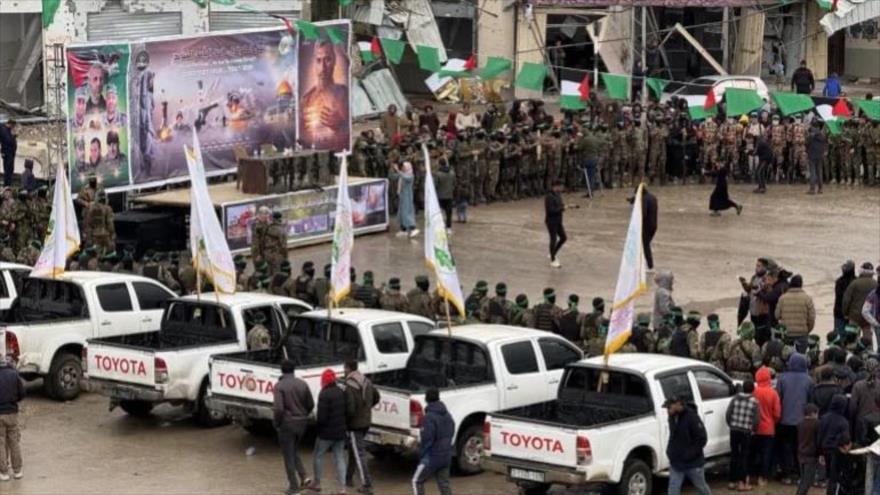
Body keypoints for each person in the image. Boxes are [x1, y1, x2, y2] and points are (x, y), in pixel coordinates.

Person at [273, 359, 314, 495]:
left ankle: (294, 487)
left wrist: (277, 423)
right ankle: (304, 477)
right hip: (302, 424)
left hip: (287, 424)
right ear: (293, 370)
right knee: (293, 451)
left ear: (282, 370)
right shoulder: (303, 384)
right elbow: (311, 404)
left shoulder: (279, 386)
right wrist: (303, 415)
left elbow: (278, 409)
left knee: (288, 456)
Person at [300, 41, 349, 150]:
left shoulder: (344, 94)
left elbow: (357, 127)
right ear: (314, 63)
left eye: (327, 59)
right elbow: (301, 137)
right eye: (318, 60)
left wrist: (340, 125)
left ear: (334, 60)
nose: (323, 68)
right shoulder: (306, 100)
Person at [343, 360, 380, 495]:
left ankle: (367, 485)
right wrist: (367, 408)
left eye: (345, 367)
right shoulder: (366, 380)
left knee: (359, 453)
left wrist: (347, 422)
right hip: (366, 421)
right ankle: (348, 478)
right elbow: (377, 396)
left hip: (355, 424)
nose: (344, 370)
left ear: (348, 368)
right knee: (355, 450)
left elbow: (350, 408)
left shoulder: (350, 384)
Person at [777, 353, 814, 484]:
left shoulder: (782, 379)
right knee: (800, 448)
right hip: (802, 421)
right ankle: (800, 475)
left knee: (786, 447)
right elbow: (811, 401)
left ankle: (787, 475)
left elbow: (778, 398)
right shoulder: (809, 380)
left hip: (785, 420)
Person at [309, 369, 347, 494]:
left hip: (326, 433)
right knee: (339, 457)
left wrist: (317, 428)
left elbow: (322, 417)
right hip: (340, 431)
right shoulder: (341, 391)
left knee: (317, 456)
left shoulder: (324, 394)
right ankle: (342, 488)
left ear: (324, 380)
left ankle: (317, 483)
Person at [664, 395, 711, 495]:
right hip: (676, 461)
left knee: (701, 486)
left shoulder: (692, 417)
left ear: (678, 405)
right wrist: (670, 451)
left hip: (693, 463)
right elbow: (673, 436)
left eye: (669, 407)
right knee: (673, 487)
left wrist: (689, 454)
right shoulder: (672, 417)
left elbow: (702, 439)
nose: (667, 410)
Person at [412, 388, 453, 495]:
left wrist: (421, 455)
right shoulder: (447, 415)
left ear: (426, 399)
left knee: (416, 481)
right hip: (446, 456)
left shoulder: (429, 417)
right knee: (444, 484)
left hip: (432, 457)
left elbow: (427, 439)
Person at [725, 380, 760, 491]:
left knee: (734, 454)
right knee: (744, 456)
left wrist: (731, 424)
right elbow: (756, 420)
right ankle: (742, 483)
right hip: (746, 431)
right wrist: (753, 429)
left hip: (734, 430)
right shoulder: (755, 402)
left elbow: (728, 413)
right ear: (753, 389)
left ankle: (731, 481)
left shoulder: (734, 399)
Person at [750, 366, 781, 487]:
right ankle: (763, 478)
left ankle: (752, 475)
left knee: (753, 453)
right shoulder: (773, 393)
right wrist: (773, 422)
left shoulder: (754, 392)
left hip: (754, 428)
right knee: (766, 454)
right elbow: (777, 413)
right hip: (769, 429)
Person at [818, 395, 851, 495]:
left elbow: (819, 436)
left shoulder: (823, 418)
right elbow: (846, 439)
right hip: (837, 452)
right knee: (834, 478)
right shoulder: (843, 421)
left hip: (824, 450)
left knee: (828, 477)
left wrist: (820, 452)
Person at [0, 354, 24, 481]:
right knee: (14, 441)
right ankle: (17, 471)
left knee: (0, 442)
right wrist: (13, 402)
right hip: (12, 413)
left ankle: (3, 472)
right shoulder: (14, 374)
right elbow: (22, 393)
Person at [843, 262, 878, 344]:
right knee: (868, 337)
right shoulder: (875, 284)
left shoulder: (854, 283)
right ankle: (868, 351)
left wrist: (845, 313)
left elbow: (846, 300)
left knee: (852, 337)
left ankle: (853, 353)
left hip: (854, 315)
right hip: (869, 316)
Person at [775, 274, 816, 343]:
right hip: (802, 334)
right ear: (801, 285)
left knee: (787, 353)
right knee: (801, 353)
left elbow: (777, 315)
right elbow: (812, 318)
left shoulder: (782, 298)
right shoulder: (807, 299)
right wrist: (807, 330)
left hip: (786, 334)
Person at [796, 403, 821, 495]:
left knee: (803, 479)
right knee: (808, 481)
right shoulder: (817, 424)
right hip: (811, 455)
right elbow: (818, 441)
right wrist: (820, 454)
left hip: (800, 454)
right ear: (813, 413)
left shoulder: (800, 423)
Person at [544, 180, 567, 268]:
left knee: (563, 237)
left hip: (558, 221)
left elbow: (560, 205)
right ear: (556, 186)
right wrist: (562, 208)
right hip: (551, 221)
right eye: (561, 186)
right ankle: (553, 260)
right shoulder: (549, 197)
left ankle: (553, 252)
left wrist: (564, 206)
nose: (562, 188)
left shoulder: (558, 195)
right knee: (553, 239)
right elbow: (550, 210)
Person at [395, 161, 418, 238]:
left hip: (407, 196)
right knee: (401, 213)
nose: (403, 168)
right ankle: (403, 229)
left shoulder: (410, 175)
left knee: (406, 213)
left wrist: (398, 170)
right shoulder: (404, 174)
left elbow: (404, 177)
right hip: (402, 196)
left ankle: (412, 228)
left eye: (404, 167)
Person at [834, 260, 857, 335]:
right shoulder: (856, 281)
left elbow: (840, 297)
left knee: (839, 337)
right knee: (852, 338)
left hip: (839, 314)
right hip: (853, 315)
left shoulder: (839, 281)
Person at [433, 158, 455, 233]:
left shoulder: (438, 174)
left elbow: (435, 185)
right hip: (449, 195)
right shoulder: (452, 173)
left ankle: (439, 226)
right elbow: (454, 183)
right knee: (449, 213)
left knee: (439, 212)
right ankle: (448, 227)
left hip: (440, 196)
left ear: (439, 164)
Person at [806, 120, 827, 194]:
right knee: (819, 172)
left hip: (812, 154)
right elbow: (824, 144)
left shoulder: (811, 135)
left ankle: (812, 189)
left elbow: (807, 143)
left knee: (813, 172)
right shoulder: (821, 135)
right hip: (820, 155)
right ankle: (820, 189)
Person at [0, 120, 17, 187]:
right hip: (7, 153)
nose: (13, 128)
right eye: (13, 126)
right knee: (8, 169)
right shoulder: (3, 128)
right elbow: (7, 140)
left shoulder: (8, 130)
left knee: (10, 169)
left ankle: (8, 184)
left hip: (10, 153)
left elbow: (9, 139)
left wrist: (14, 136)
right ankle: (7, 185)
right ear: (10, 124)